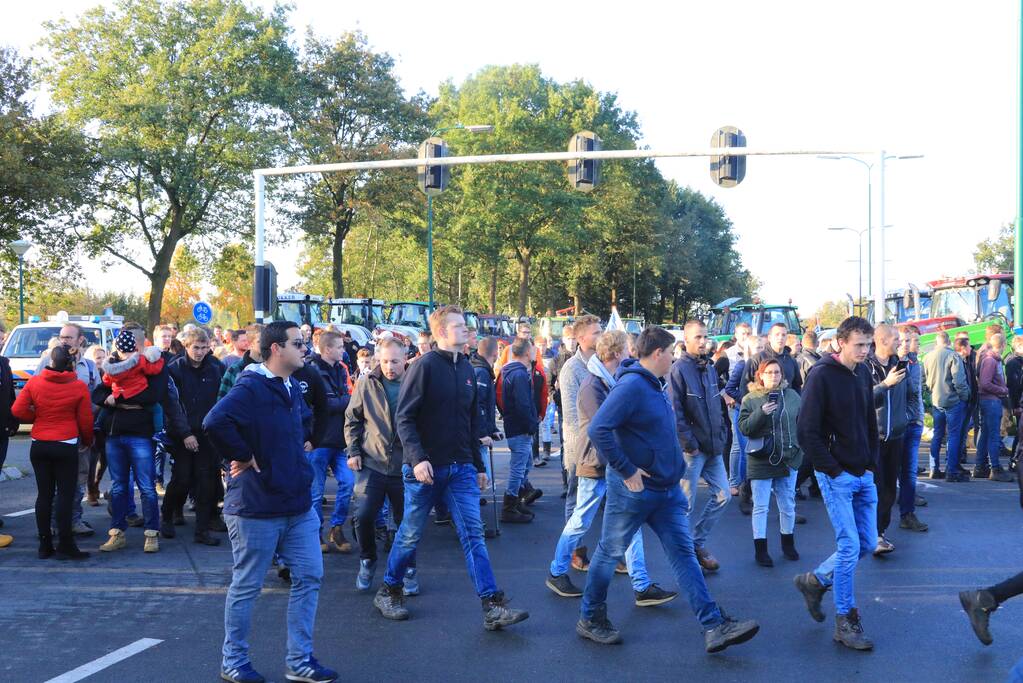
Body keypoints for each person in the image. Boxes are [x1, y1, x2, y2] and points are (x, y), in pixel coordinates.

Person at [577, 326, 759, 651]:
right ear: (658, 353)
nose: (674, 358)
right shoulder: (632, 385)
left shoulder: (655, 383)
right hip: (634, 491)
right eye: (671, 352)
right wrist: (627, 469)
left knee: (684, 555)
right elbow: (600, 427)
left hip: (666, 491)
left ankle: (714, 625)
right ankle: (591, 618)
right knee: (608, 555)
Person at [372, 306, 528, 631]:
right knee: (411, 533)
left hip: (461, 470)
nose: (466, 331)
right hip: (425, 470)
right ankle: (389, 589)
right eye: (459, 326)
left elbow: (471, 423)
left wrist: (477, 463)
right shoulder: (424, 367)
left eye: (465, 326)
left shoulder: (468, 370)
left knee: (473, 534)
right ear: (442, 332)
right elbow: (404, 417)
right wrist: (417, 458)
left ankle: (492, 605)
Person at [204, 321, 337, 683]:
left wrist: (303, 446)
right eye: (298, 343)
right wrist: (242, 454)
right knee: (247, 585)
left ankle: (300, 661)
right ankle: (233, 661)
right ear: (276, 349)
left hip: (296, 505)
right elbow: (214, 421)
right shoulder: (252, 386)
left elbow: (305, 424)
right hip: (255, 506)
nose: (305, 348)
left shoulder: (291, 384)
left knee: (310, 576)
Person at [547, 329, 677, 607]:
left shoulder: (611, 381)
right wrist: (629, 465)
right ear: (617, 353)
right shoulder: (593, 386)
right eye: (628, 348)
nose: (632, 352)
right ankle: (557, 571)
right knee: (581, 520)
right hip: (594, 465)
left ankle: (641, 585)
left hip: (613, 465)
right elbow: (606, 430)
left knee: (630, 525)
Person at [794, 316, 879, 651]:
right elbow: (806, 432)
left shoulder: (862, 373)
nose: (864, 350)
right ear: (840, 342)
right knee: (849, 547)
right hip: (836, 476)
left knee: (867, 544)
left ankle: (815, 580)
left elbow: (868, 420)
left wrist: (871, 465)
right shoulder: (821, 376)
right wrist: (833, 470)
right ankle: (845, 620)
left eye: (868, 344)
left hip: (862, 473)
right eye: (859, 344)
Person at [95, 322, 185, 554]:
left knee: (146, 486)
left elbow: (152, 395)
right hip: (114, 434)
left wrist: (117, 397)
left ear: (141, 343)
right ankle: (117, 532)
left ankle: (151, 533)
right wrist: (113, 397)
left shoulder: (154, 364)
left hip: (140, 433)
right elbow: (98, 393)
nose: (130, 348)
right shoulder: (112, 364)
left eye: (135, 342)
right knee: (118, 486)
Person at [346, 337, 416, 594]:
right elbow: (352, 419)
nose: (389, 367)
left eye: (395, 361)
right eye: (384, 361)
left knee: (406, 521)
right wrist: (353, 451)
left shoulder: (415, 383)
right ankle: (368, 560)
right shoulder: (367, 383)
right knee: (362, 516)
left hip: (406, 465)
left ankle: (408, 569)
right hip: (372, 462)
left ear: (405, 357)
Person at [11, 345, 94, 560]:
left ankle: (44, 544)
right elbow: (85, 420)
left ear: (50, 361)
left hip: (40, 443)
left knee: (44, 495)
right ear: (70, 363)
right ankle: (66, 545)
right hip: (66, 443)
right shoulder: (78, 386)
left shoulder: (35, 382)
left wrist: (37, 417)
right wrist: (87, 440)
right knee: (65, 496)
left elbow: (17, 410)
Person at [671, 320, 730, 573]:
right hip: (692, 451)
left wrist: (723, 433)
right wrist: (689, 444)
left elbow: (716, 405)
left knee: (723, 495)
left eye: (705, 337)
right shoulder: (678, 370)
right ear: (686, 339)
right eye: (698, 337)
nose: (703, 341)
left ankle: (696, 543)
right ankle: (684, 556)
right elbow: (676, 412)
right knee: (685, 505)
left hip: (714, 446)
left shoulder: (710, 368)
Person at [160, 327, 225, 546]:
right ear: (187, 346)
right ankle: (167, 515)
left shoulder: (216, 367)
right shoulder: (175, 369)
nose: (199, 352)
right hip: (182, 432)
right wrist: (185, 433)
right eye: (195, 347)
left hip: (208, 433)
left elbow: (222, 400)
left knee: (207, 482)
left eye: (204, 347)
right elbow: (172, 405)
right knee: (182, 479)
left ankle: (202, 530)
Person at [738, 358, 802, 567]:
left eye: (777, 372)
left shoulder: (792, 396)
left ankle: (788, 543)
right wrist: (761, 412)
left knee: (787, 504)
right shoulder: (750, 398)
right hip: (760, 460)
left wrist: (800, 449)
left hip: (787, 458)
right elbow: (745, 428)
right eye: (769, 373)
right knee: (761, 507)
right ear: (761, 376)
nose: (773, 376)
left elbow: (802, 422)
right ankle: (761, 549)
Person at [300, 331, 354, 554]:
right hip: (320, 440)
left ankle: (337, 527)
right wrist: (349, 399)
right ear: (327, 349)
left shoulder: (341, 369)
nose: (344, 350)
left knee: (348, 483)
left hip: (340, 439)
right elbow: (328, 404)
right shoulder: (313, 371)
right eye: (340, 347)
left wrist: (344, 400)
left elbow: (339, 400)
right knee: (315, 491)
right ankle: (316, 532)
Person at [866, 323, 910, 555]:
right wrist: (884, 385)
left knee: (889, 488)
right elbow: (862, 400)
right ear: (882, 341)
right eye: (896, 339)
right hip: (874, 436)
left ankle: (879, 533)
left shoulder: (900, 365)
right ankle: (873, 535)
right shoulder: (866, 367)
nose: (900, 343)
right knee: (875, 486)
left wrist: (908, 418)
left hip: (896, 435)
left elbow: (911, 395)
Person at [558, 314, 602, 540]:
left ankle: (611, 554)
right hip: (581, 447)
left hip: (603, 443)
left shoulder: (602, 363)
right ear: (582, 338)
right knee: (576, 501)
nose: (601, 335)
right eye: (596, 332)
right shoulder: (571, 369)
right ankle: (575, 549)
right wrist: (582, 452)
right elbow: (572, 417)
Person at [498, 338, 540, 523]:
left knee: (524, 464)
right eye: (532, 350)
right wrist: (531, 425)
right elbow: (523, 404)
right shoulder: (520, 374)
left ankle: (517, 498)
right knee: (518, 468)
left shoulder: (507, 371)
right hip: (520, 428)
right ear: (526, 353)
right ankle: (510, 505)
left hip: (514, 426)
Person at [924, 331, 971, 481]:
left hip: (936, 400)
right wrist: (965, 396)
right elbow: (959, 381)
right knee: (953, 435)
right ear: (949, 341)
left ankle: (934, 468)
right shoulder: (953, 356)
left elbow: (924, 379)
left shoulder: (927, 357)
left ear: (936, 342)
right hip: (952, 400)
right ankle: (951, 471)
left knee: (937, 435)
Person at [896, 325, 929, 530]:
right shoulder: (891, 363)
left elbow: (916, 392)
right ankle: (876, 528)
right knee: (885, 474)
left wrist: (918, 418)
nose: (907, 345)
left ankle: (907, 514)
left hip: (913, 423)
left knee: (909, 471)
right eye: (904, 341)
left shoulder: (915, 362)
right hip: (895, 425)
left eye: (910, 341)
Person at [976, 332, 1015, 482]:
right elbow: (985, 383)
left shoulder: (991, 358)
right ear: (1004, 345)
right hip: (991, 401)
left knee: (986, 434)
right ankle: (995, 468)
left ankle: (980, 466)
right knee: (993, 435)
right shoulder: (991, 360)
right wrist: (1003, 390)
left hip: (989, 401)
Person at [742, 323, 803, 397]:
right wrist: (757, 406)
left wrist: (796, 405)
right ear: (770, 338)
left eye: (783, 335)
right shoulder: (756, 359)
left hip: (786, 406)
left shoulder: (791, 360)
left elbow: (797, 386)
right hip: (761, 406)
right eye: (777, 334)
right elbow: (744, 388)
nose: (780, 338)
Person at [102, 329, 165, 399]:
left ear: (117, 350)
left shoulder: (110, 366)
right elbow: (152, 370)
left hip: (118, 394)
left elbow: (106, 381)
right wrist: (160, 361)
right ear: (134, 348)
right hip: (139, 391)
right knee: (157, 409)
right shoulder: (140, 359)